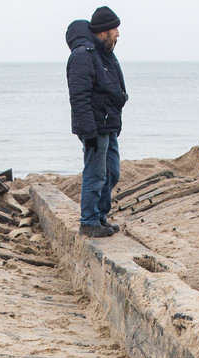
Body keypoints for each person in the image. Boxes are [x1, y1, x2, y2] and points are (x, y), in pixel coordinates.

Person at [66, 6, 127, 238]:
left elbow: (111, 88)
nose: (118, 34)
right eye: (115, 29)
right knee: (96, 174)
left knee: (112, 173)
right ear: (103, 31)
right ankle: (89, 221)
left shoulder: (104, 53)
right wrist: (88, 131)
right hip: (95, 126)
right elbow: (78, 96)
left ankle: (100, 216)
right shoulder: (83, 55)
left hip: (109, 124)